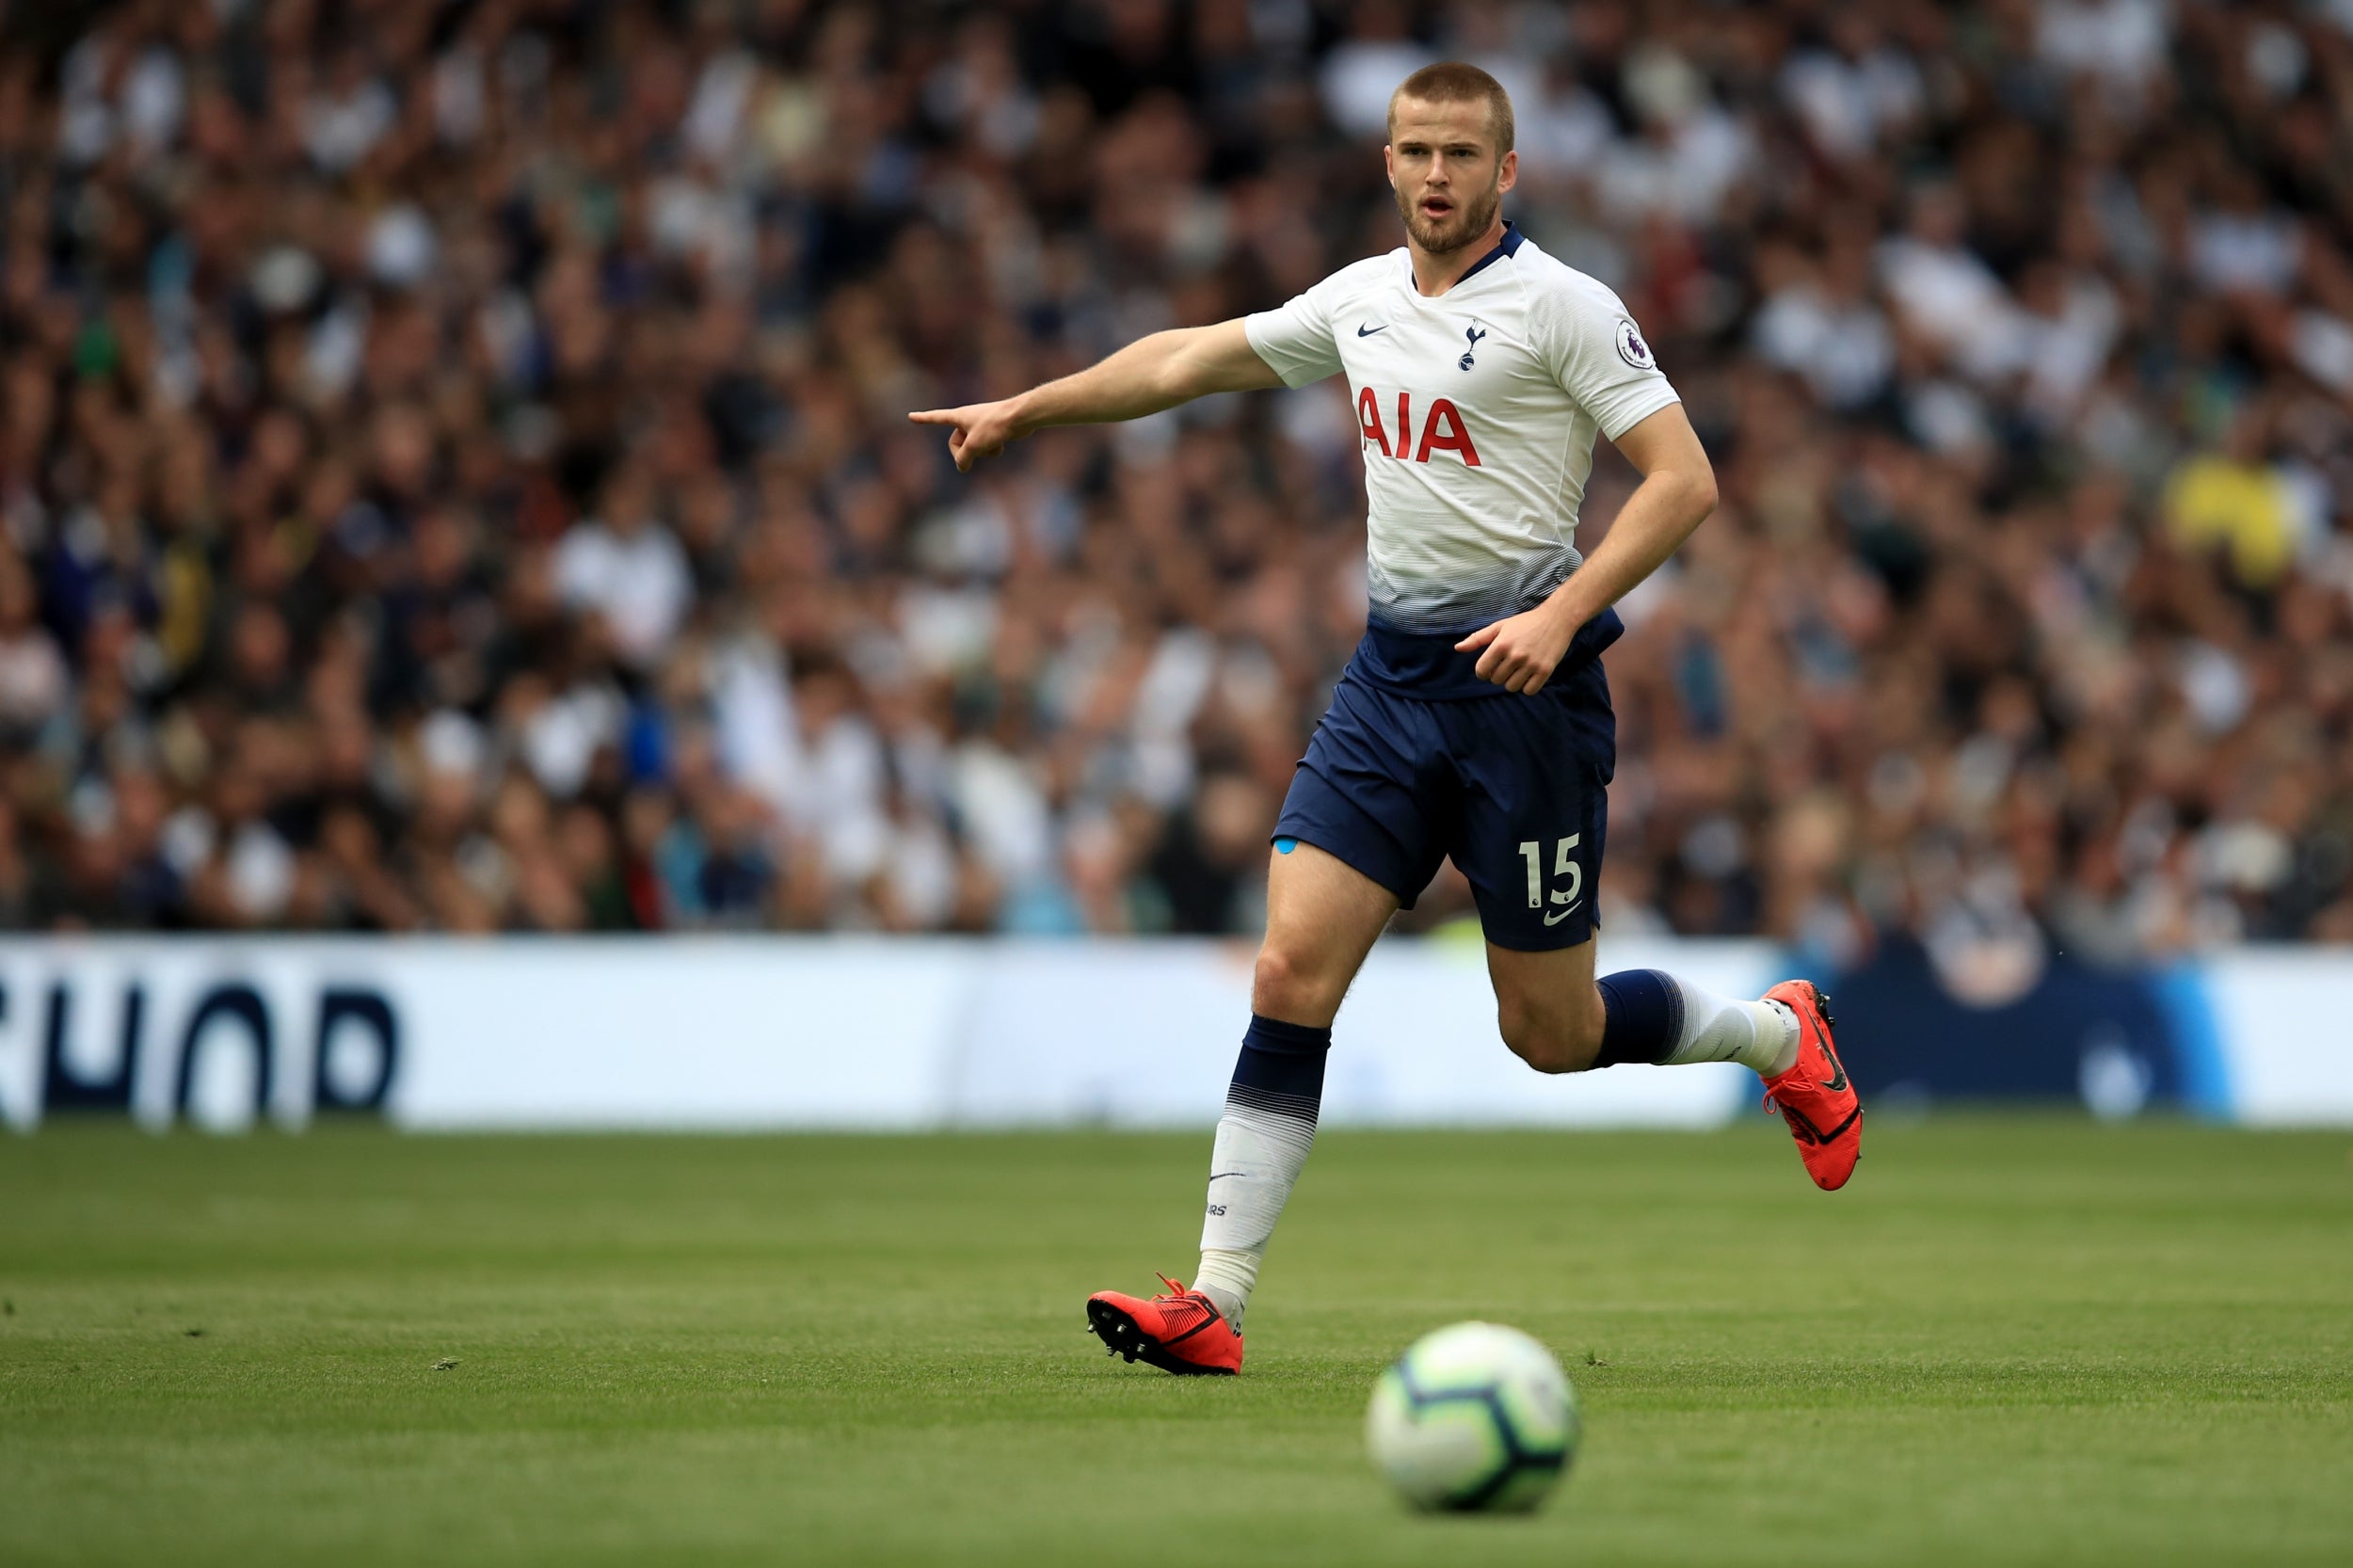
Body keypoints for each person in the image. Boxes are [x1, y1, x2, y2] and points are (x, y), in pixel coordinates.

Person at [910, 63, 1859, 1377]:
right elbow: (1188, 358)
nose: (1435, 175)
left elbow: (1684, 483)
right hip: (1391, 686)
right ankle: (1216, 1300)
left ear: (1506, 171)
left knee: (1552, 1032)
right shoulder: (1357, 301)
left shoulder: (1565, 307)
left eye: (1462, 154)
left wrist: (1563, 611)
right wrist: (1031, 404)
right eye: (1416, 149)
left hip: (1529, 700)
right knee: (1291, 968)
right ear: (1388, 155)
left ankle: (1776, 1033)